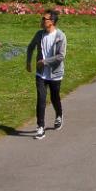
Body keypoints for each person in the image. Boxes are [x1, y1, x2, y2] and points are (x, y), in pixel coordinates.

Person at [26, 9, 66, 139]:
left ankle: (59, 115)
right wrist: (28, 62)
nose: (42, 21)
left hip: (55, 74)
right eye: (42, 18)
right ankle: (40, 127)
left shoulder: (60, 36)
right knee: (41, 99)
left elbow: (61, 56)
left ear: (52, 21)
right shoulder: (39, 34)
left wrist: (45, 61)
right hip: (41, 74)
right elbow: (30, 47)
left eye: (45, 19)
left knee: (54, 97)